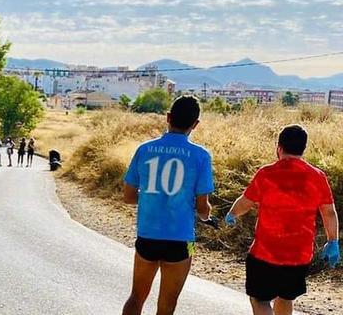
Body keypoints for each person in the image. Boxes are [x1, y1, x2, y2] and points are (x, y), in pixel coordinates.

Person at [225, 124, 339, 315]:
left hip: (265, 253)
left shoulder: (266, 174)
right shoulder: (317, 177)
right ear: (303, 149)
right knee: (286, 297)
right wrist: (332, 241)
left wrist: (232, 214)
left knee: (259, 299)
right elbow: (329, 212)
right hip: (299, 255)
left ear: (279, 148)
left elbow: (246, 202)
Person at [121, 95, 214, 315]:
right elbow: (203, 207)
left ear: (168, 117)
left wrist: (151, 198)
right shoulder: (201, 156)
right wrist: (206, 216)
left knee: (136, 297)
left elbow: (128, 196)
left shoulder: (145, 149)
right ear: (195, 124)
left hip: (147, 236)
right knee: (167, 305)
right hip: (181, 240)